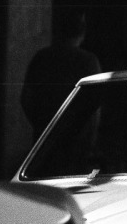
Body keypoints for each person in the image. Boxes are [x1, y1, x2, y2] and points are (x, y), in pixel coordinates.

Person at [21, 13, 101, 141]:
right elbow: (94, 104)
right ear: (82, 34)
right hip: (76, 141)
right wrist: (90, 137)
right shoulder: (89, 61)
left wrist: (42, 125)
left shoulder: (41, 57)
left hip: (44, 139)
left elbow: (25, 98)